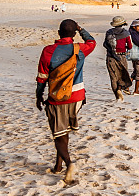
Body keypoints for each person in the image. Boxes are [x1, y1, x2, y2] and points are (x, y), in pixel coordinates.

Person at [36, 19, 96, 183]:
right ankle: (58, 166)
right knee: (63, 131)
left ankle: (69, 164)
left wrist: (39, 95)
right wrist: (81, 29)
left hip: (57, 98)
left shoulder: (48, 51)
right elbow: (92, 41)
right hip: (77, 98)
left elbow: (42, 77)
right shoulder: (81, 49)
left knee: (58, 135)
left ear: (58, 33)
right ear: (75, 34)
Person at [103, 16, 133, 101]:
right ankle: (119, 89)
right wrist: (124, 46)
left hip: (110, 57)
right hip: (121, 56)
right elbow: (130, 46)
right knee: (122, 75)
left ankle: (117, 96)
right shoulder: (126, 33)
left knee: (113, 77)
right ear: (123, 23)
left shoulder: (109, 32)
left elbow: (105, 44)